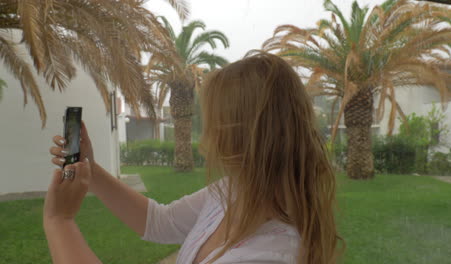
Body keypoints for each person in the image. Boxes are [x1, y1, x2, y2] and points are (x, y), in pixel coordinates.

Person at [45, 52, 342, 264]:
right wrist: (92, 171)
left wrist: (59, 221)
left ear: (237, 136)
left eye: (210, 122)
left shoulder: (269, 254)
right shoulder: (236, 189)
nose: (205, 139)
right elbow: (161, 222)